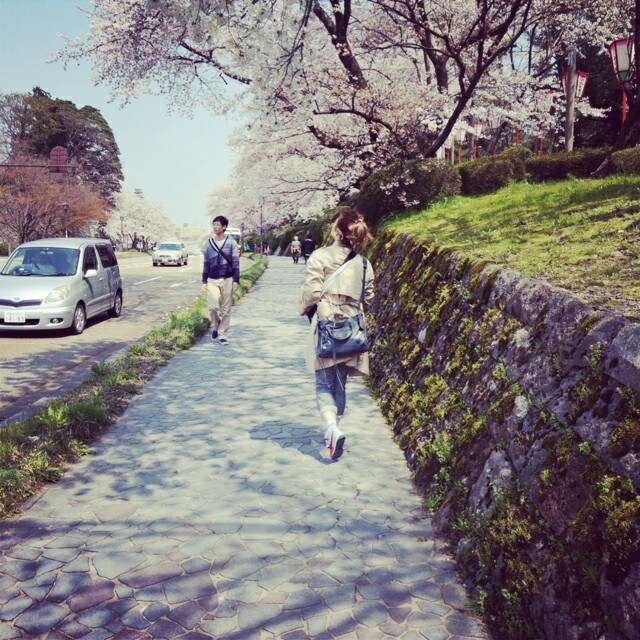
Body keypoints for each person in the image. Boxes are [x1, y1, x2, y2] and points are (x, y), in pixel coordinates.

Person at [299, 208, 374, 460]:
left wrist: (304, 307)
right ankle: (334, 431)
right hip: (351, 329)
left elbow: (312, 292)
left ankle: (331, 427)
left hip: (326, 325)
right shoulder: (364, 263)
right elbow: (369, 297)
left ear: (336, 231)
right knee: (340, 383)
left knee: (323, 383)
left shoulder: (320, 256)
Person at [201, 216, 240, 345]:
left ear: (224, 227)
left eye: (217, 225)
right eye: (214, 225)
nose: (215, 227)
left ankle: (222, 334)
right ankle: (216, 326)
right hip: (212, 279)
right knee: (212, 306)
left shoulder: (231, 243)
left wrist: (236, 280)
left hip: (227, 278)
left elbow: (235, 263)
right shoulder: (208, 243)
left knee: (226, 309)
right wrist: (204, 281)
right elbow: (206, 263)